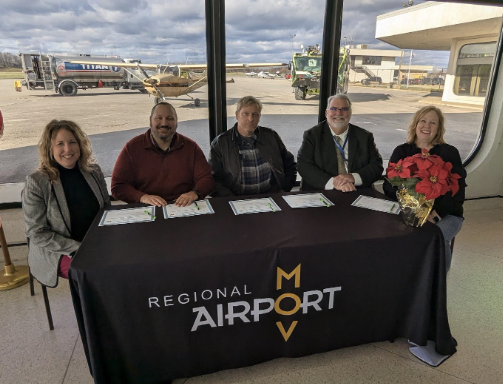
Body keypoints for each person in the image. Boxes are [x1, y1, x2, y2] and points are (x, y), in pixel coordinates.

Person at [23, 120, 110, 287]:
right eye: (60, 144)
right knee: (97, 272)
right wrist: (78, 248)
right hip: (59, 250)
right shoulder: (37, 182)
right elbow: (36, 232)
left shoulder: (94, 171)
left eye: (72, 142)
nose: (68, 150)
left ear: (80, 144)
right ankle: (92, 312)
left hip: (94, 243)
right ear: (50, 149)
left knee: (128, 261)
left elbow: (106, 210)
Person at [383, 106, 466, 272]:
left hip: (445, 214)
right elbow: (388, 185)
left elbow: (458, 192)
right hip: (408, 210)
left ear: (439, 128)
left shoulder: (449, 152)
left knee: (437, 235)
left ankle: (438, 284)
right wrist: (412, 208)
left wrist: (434, 216)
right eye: (423, 121)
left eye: (433, 123)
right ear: (415, 124)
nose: (427, 126)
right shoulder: (402, 151)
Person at [111, 102, 214, 206]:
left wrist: (194, 193)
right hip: (147, 207)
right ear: (150, 120)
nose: (164, 123)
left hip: (183, 207)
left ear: (176, 122)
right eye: (159, 118)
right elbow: (118, 186)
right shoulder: (132, 148)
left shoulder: (191, 147)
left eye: (170, 118)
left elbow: (207, 179)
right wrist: (142, 197)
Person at [209, 96, 296, 196]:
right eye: (246, 114)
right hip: (237, 200)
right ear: (237, 115)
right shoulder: (221, 143)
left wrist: (285, 189)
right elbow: (214, 179)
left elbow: (289, 164)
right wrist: (230, 200)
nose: (250, 119)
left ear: (259, 116)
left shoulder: (271, 136)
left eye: (255, 114)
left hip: (271, 197)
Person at [297, 94, 383, 192]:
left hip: (356, 190)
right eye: (333, 109)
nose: (339, 113)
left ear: (350, 113)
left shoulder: (364, 136)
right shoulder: (313, 135)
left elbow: (377, 166)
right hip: (321, 190)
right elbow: (303, 165)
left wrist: (353, 178)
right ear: (326, 113)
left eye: (344, 109)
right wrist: (333, 182)